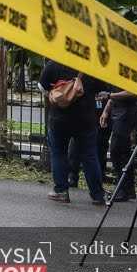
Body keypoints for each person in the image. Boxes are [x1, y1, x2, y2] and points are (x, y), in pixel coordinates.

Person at [38, 60, 107, 204]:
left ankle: (61, 190)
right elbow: (101, 90)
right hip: (85, 118)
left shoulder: (54, 64)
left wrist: (57, 93)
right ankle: (97, 194)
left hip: (59, 119)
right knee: (89, 156)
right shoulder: (90, 66)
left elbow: (42, 87)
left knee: (58, 153)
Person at [103, 87, 137, 201]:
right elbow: (113, 93)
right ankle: (127, 189)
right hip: (118, 113)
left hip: (126, 114)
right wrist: (106, 111)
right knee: (121, 153)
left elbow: (133, 92)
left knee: (117, 151)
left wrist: (110, 96)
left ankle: (124, 189)